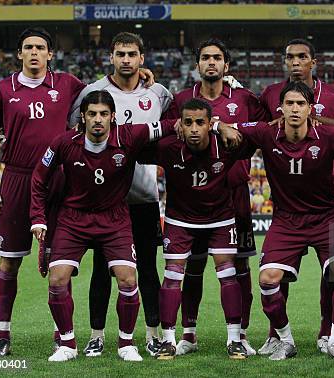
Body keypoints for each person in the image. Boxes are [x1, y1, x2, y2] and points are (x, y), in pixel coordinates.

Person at [216, 81, 334, 362]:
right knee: (267, 280)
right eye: (290, 104)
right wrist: (219, 125)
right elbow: (230, 126)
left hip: (327, 217)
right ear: (280, 108)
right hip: (286, 219)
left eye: (300, 104)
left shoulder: (328, 136)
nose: (295, 109)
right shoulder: (267, 133)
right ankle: (285, 340)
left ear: (310, 109)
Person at [30, 90, 177, 362]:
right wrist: (38, 217)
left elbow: (166, 125)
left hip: (114, 218)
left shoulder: (128, 136)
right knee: (57, 278)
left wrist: (200, 123)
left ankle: (126, 343)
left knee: (127, 278)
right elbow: (39, 178)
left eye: (103, 114)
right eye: (92, 114)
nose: (98, 119)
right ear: (83, 117)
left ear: (113, 117)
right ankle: (67, 344)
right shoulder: (63, 142)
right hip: (73, 218)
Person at [0, 27, 85, 357]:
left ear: (50, 54)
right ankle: (2, 337)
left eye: (40, 47)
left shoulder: (68, 85)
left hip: (59, 181)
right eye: (28, 47)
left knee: (60, 263)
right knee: (8, 263)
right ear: (20, 54)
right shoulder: (1, 90)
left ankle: (62, 334)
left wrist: (144, 78)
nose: (35, 52)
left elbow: (105, 97)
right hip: (18, 180)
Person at [69, 32, 171, 358]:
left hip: (143, 197)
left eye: (132, 54)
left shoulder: (158, 94)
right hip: (103, 200)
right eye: (120, 54)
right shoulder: (94, 93)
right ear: (111, 57)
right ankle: (97, 335)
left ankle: (152, 333)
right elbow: (74, 134)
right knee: (101, 269)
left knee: (148, 269)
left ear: (142, 58)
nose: (126, 59)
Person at [259, 37, 334, 355]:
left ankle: (329, 335)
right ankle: (278, 336)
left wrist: (321, 124)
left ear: (314, 61)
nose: (296, 62)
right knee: (275, 276)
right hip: (287, 207)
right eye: (290, 57)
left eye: (302, 57)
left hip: (326, 203)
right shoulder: (270, 93)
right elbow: (258, 131)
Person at [170, 38, 266, 356]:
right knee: (193, 268)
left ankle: (241, 334)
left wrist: (226, 126)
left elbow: (261, 132)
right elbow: (171, 132)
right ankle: (188, 333)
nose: (211, 62)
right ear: (197, 65)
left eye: (217, 58)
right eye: (205, 57)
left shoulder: (245, 98)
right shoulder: (182, 99)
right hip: (192, 198)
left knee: (240, 267)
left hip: (234, 196)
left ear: (226, 65)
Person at [137, 98, 251, 360]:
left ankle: (234, 339)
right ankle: (168, 340)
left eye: (201, 122)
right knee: (173, 277)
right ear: (181, 124)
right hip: (180, 220)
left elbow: (259, 135)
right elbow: (134, 143)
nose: (194, 129)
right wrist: (168, 127)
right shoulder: (168, 147)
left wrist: (223, 126)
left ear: (210, 124)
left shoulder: (226, 143)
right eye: (187, 123)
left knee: (228, 275)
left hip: (220, 219)